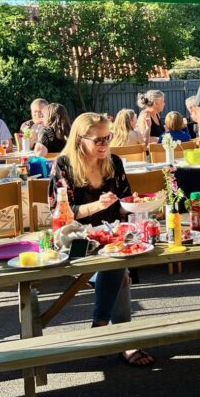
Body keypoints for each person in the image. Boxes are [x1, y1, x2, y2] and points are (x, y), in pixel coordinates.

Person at [47, 113, 152, 366]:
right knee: (117, 268)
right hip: (76, 243)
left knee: (116, 263)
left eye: (108, 137)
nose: (105, 144)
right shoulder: (63, 165)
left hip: (111, 238)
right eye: (98, 140)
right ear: (79, 139)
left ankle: (103, 328)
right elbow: (59, 213)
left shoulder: (114, 162)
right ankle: (119, 337)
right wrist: (97, 205)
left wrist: (140, 205)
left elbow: (123, 205)